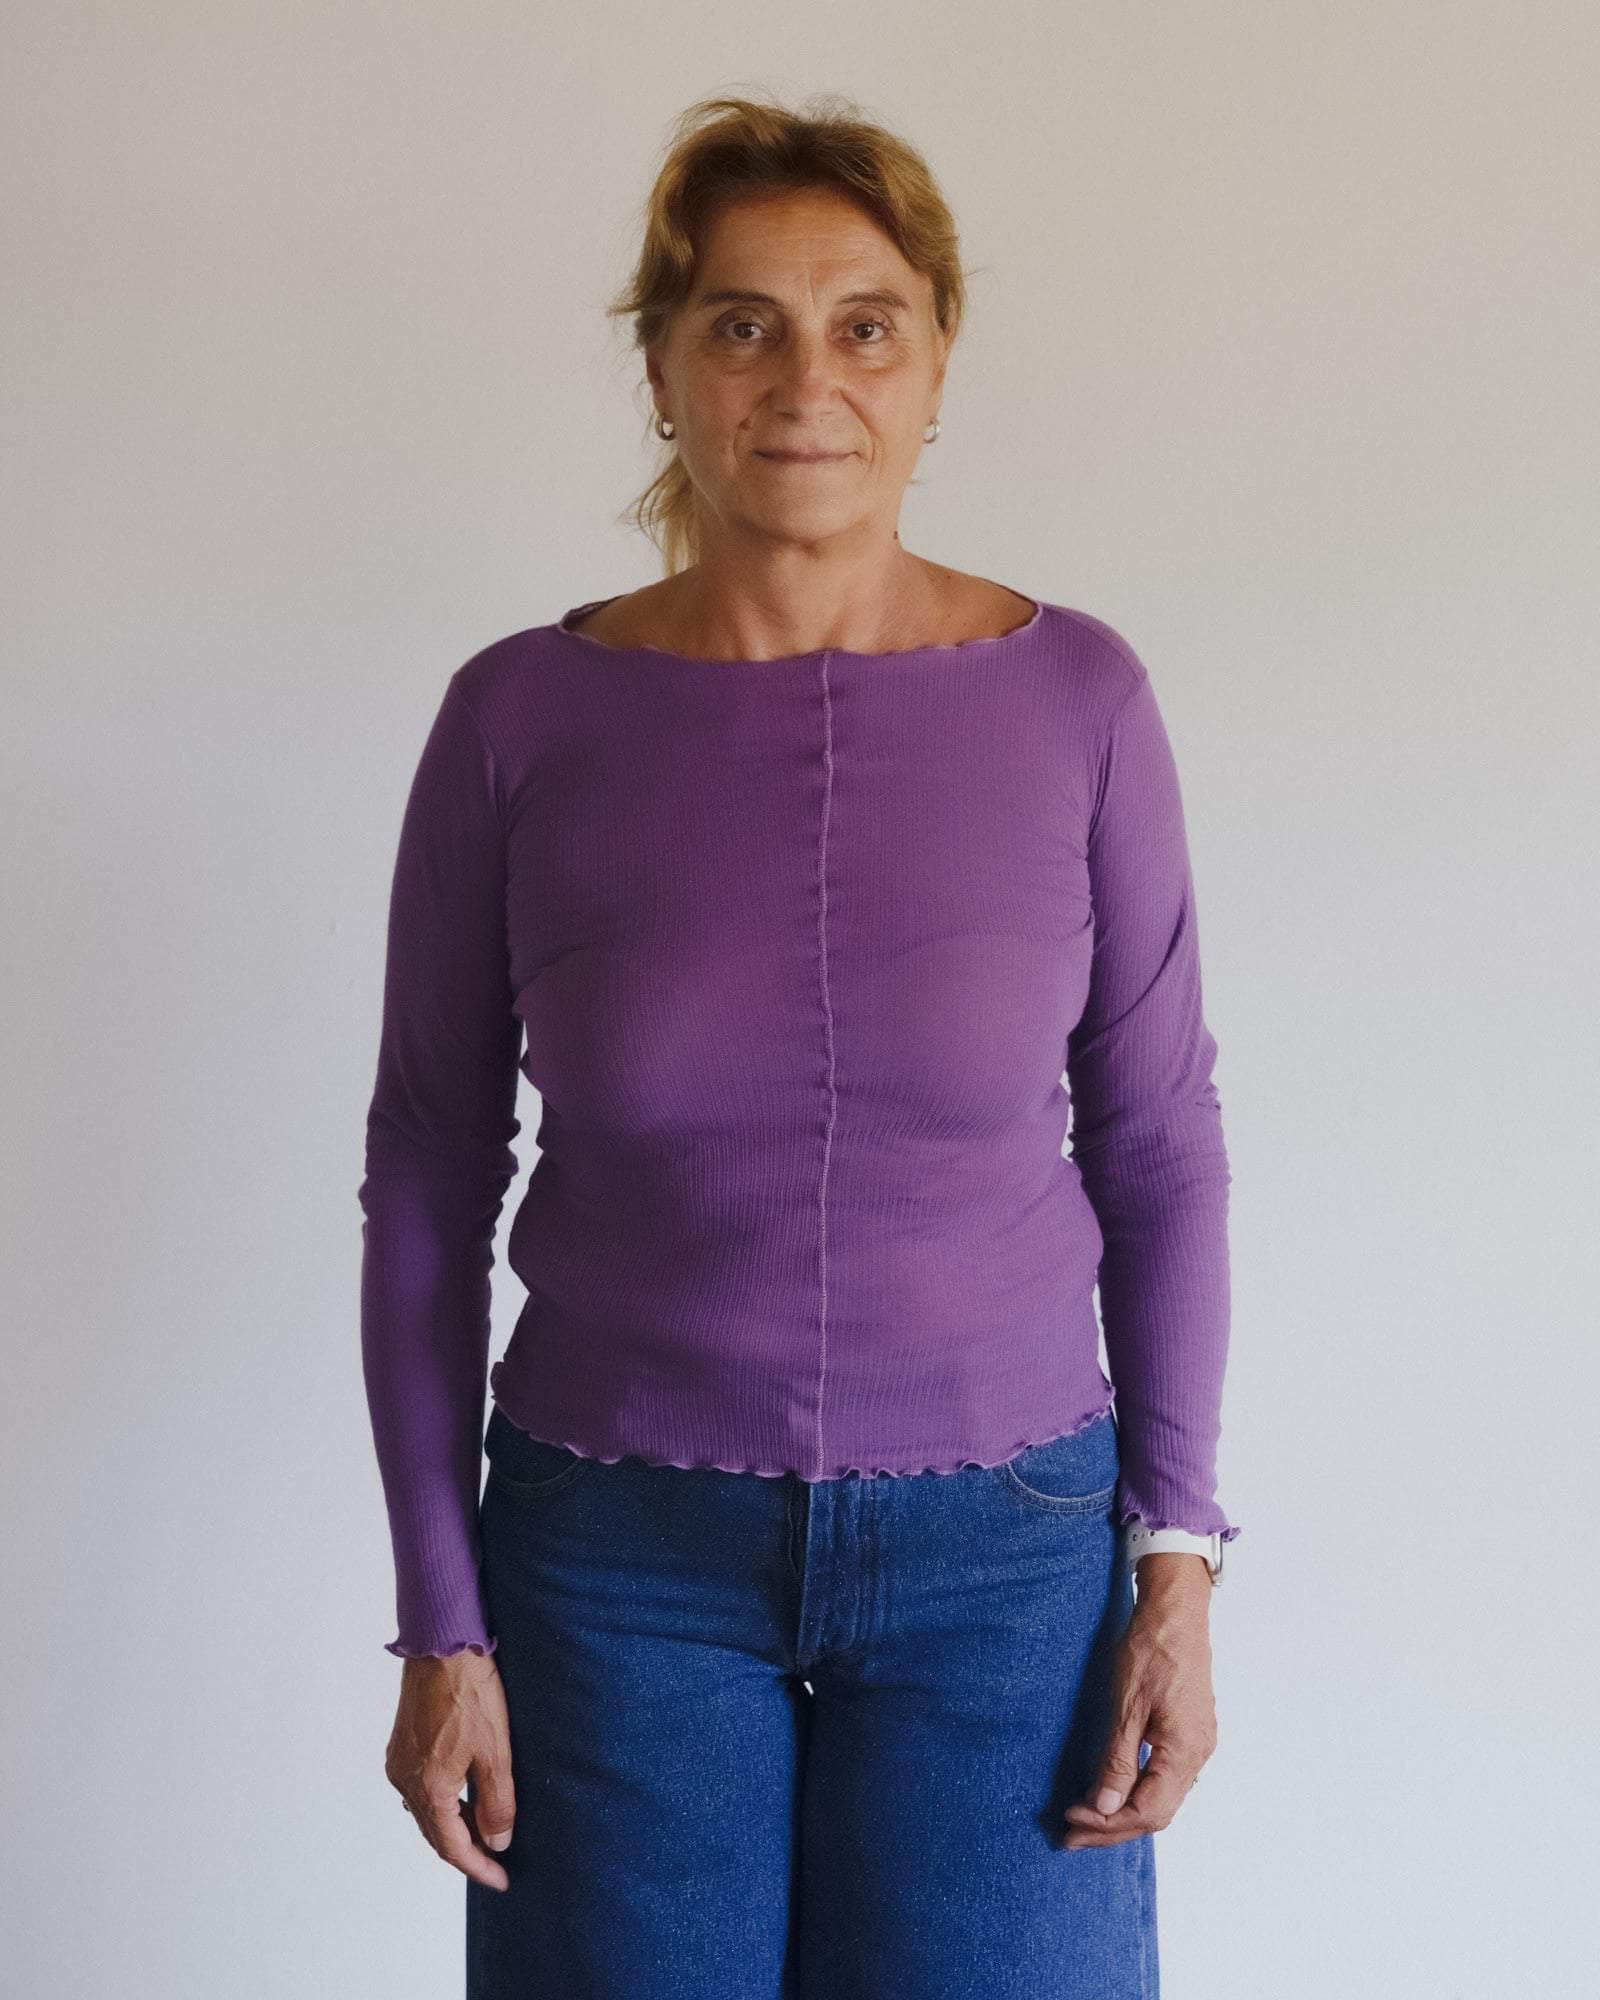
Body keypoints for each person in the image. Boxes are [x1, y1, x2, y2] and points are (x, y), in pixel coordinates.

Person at [358, 91, 1240, 2000]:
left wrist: (1176, 1561)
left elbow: (1159, 1143)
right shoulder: (518, 721)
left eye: (865, 325)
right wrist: (442, 1619)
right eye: (743, 323)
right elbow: (427, 1170)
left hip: (1007, 1561)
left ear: (935, 368)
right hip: (612, 1557)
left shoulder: (1081, 700)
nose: (806, 379)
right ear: (662, 370)